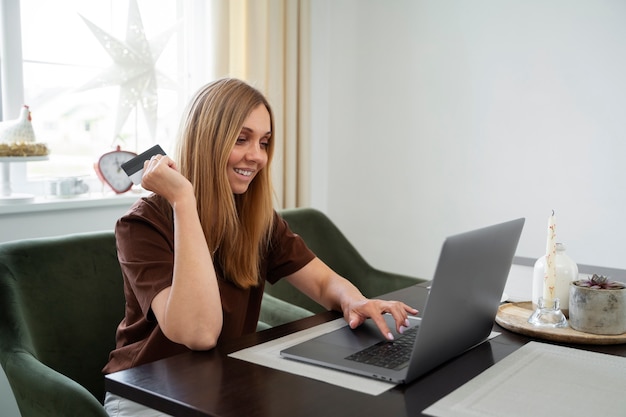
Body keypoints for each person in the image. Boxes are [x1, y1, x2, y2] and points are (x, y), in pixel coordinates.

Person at [102, 78, 418, 416]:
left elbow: (325, 283)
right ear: (208, 140)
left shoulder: (257, 219)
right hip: (148, 394)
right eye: (242, 139)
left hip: (224, 384)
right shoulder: (142, 224)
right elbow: (200, 334)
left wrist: (355, 300)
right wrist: (183, 200)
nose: (257, 156)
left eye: (264, 142)